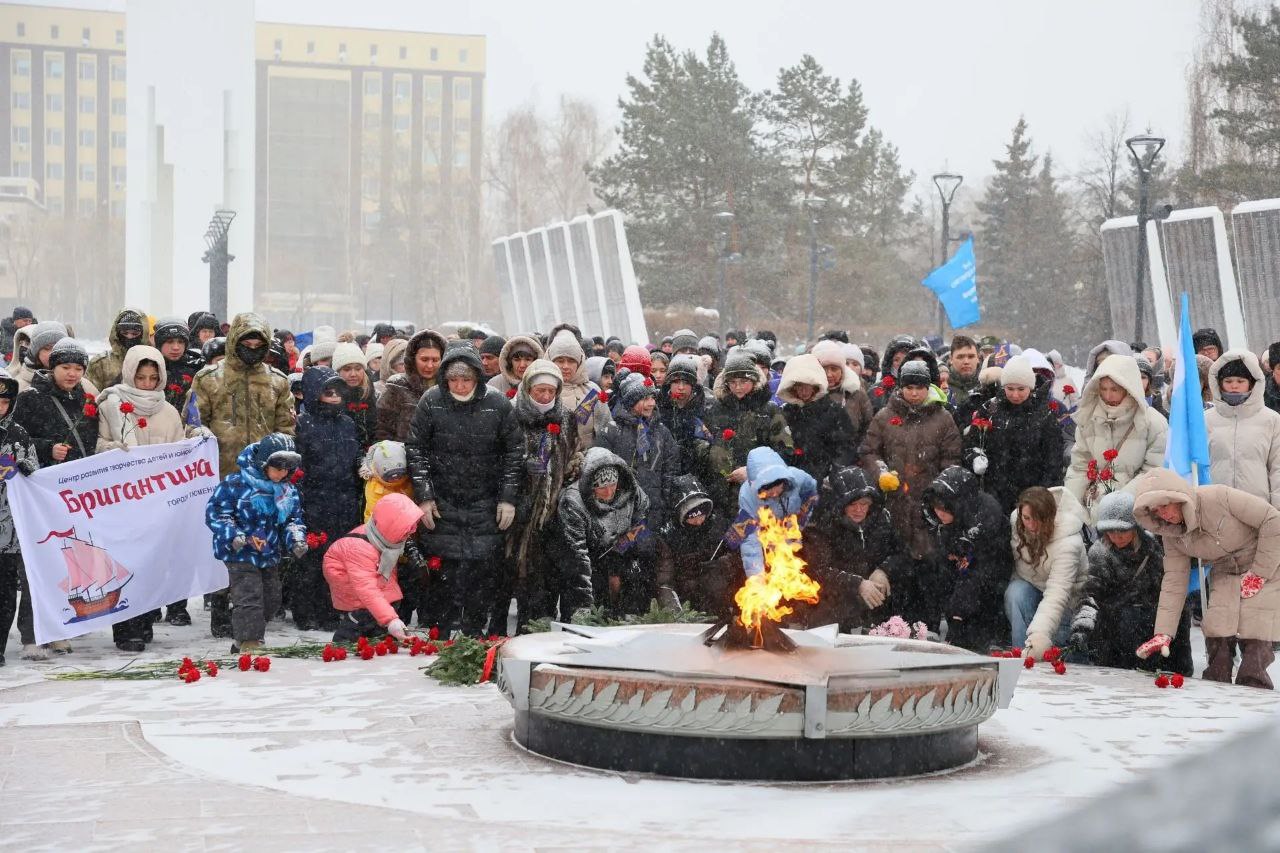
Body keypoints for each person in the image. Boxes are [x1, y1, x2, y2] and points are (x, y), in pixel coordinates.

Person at [407, 344, 523, 636]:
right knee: (443, 573)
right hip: (444, 500)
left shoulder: (497, 404)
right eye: (454, 379)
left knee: (481, 573)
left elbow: (513, 452)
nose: (459, 386)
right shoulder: (431, 401)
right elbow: (416, 449)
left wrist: (507, 498)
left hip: (485, 501)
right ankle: (440, 632)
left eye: (466, 379)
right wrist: (425, 496)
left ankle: (475, 633)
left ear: (477, 379)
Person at [1133, 467, 1280, 689]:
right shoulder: (1171, 534)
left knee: (1255, 635)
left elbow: (1272, 519)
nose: (1162, 514)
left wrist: (1260, 572)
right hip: (1224, 571)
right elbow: (1174, 581)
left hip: (1264, 562)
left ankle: (1254, 699)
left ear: (1179, 498)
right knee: (1217, 635)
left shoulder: (1219, 497)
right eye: (1155, 510)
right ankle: (1215, 697)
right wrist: (1163, 632)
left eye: (1165, 505)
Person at [1069, 491, 1193, 676]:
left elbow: (1165, 589)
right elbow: (1092, 594)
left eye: (1122, 530)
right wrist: (1082, 627)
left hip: (1151, 616)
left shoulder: (1154, 549)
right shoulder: (1100, 552)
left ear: (1136, 527)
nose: (1116, 537)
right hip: (1116, 622)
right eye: (1111, 531)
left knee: (1179, 611)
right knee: (1127, 617)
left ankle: (1173, 667)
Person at [204, 434, 308, 653]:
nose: (282, 474)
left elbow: (292, 520)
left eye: (288, 469)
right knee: (250, 596)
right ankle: (250, 642)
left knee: (271, 598)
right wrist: (234, 534)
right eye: (278, 468)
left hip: (267, 552)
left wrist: (296, 539)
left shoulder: (288, 492)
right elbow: (217, 513)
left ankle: (241, 633)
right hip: (239, 552)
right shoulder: (235, 484)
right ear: (264, 464)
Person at [860, 359, 961, 574]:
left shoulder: (943, 419)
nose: (914, 393)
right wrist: (881, 472)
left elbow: (951, 459)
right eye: (909, 388)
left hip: (929, 504)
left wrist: (939, 493)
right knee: (894, 564)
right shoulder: (885, 417)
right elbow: (869, 451)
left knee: (929, 567)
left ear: (928, 388)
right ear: (900, 388)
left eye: (920, 388)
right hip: (894, 502)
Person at [504, 359, 576, 628]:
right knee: (520, 569)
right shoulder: (512, 414)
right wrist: (523, 466)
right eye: (539, 391)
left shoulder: (565, 417)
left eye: (551, 391)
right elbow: (502, 454)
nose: (545, 396)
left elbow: (573, 450)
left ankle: (542, 622)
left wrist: (570, 470)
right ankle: (522, 623)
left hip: (553, 506)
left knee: (546, 571)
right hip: (520, 505)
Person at [599, 373, 679, 613]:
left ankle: (643, 612)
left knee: (645, 562)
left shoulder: (662, 433)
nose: (650, 403)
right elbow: (600, 467)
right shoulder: (612, 431)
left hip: (651, 512)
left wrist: (663, 502)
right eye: (643, 398)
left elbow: (670, 469)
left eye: (653, 397)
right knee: (618, 563)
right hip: (619, 511)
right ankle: (616, 613)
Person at [292, 366, 362, 631]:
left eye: (337, 392)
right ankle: (307, 611)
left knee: (338, 560)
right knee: (311, 561)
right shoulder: (303, 423)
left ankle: (334, 608)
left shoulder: (347, 423)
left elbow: (353, 456)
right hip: (314, 500)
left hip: (344, 499)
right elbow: (299, 467)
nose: (334, 398)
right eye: (327, 392)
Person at [188, 312, 295, 480]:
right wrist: (201, 434)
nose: (252, 348)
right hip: (218, 474)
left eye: (258, 345)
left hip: (264, 478)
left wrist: (278, 458)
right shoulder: (207, 379)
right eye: (247, 343)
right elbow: (192, 423)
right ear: (234, 342)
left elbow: (286, 429)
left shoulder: (278, 381)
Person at [1063, 353, 1167, 525]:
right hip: (1090, 512)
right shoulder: (1089, 418)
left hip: (1135, 515)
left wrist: (1118, 503)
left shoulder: (1153, 423)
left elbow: (1153, 471)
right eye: (1103, 389)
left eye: (1114, 389)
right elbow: (1080, 464)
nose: (1108, 395)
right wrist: (1073, 507)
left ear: (1128, 387)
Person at [921, 465, 1011, 652]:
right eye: (935, 508)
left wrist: (957, 614)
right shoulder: (949, 519)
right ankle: (929, 627)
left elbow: (982, 568)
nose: (939, 513)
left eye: (944, 508)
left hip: (991, 584)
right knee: (928, 569)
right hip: (965, 574)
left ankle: (972, 631)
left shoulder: (985, 519)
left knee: (972, 640)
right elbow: (942, 560)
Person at [555, 447, 650, 618]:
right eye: (601, 487)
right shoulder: (573, 501)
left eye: (612, 485)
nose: (609, 492)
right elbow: (576, 556)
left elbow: (643, 520)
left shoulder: (631, 491)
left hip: (618, 553)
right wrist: (582, 605)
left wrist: (624, 545)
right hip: (586, 558)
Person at [802, 466, 899, 632]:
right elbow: (817, 570)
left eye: (864, 504)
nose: (859, 509)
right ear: (841, 503)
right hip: (831, 609)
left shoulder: (881, 520)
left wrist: (884, 570)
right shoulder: (822, 524)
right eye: (853, 504)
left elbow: (900, 552)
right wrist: (857, 584)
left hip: (874, 607)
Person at [968, 355, 1065, 516]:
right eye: (1010, 389)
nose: (1015, 395)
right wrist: (975, 457)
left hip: (1032, 494)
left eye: (1021, 389)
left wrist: (1044, 494)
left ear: (1030, 387)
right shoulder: (991, 409)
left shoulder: (1044, 415)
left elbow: (1053, 459)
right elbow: (971, 443)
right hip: (996, 493)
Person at [322, 491, 423, 644]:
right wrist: (391, 620)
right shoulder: (360, 548)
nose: (412, 531)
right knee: (369, 610)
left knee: (393, 601)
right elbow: (366, 589)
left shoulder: (383, 538)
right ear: (392, 524)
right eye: (407, 527)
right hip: (348, 583)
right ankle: (346, 636)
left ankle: (377, 630)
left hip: (367, 579)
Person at [704, 349, 792, 515]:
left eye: (743, 381)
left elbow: (784, 451)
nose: (738, 387)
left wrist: (753, 471)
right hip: (720, 495)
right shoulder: (714, 410)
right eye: (732, 382)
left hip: (760, 494)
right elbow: (706, 445)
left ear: (754, 380)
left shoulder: (770, 411)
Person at [1004, 486, 1088, 659]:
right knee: (1015, 592)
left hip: (1067, 605)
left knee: (1052, 648)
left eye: (1038, 519)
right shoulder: (1017, 525)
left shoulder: (1069, 543)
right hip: (1033, 594)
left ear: (1050, 517)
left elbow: (1057, 593)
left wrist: (1038, 637)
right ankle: (1021, 656)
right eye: (1026, 518)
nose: (1031, 525)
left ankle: (1039, 652)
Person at [726, 446, 818, 580]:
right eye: (768, 492)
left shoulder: (799, 478)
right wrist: (756, 580)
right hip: (765, 530)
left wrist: (799, 523)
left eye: (778, 489)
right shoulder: (747, 496)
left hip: (790, 524)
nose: (774, 494)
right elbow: (750, 541)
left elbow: (811, 494)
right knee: (736, 544)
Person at [1206, 350, 1280, 508]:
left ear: (1252, 383)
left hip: (1259, 507)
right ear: (1219, 383)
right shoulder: (1206, 419)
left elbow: (1277, 467)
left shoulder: (1271, 420)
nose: (1234, 385)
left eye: (1240, 381)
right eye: (1228, 380)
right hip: (1216, 507)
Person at [0, 376, 40, 665]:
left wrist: (24, 468)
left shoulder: (18, 434)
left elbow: (34, 472)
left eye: (3, 402)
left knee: (4, 593)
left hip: (10, 527)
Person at [654, 474, 733, 615]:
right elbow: (665, 581)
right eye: (693, 518)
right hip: (688, 604)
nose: (699, 522)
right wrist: (676, 614)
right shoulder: (669, 537)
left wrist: (722, 564)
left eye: (702, 516)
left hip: (721, 598)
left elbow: (736, 555)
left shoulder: (719, 526)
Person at [777, 353, 858, 485]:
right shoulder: (786, 413)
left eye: (807, 385)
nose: (803, 391)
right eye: (798, 386)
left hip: (825, 480)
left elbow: (846, 447)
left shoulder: (833, 411)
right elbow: (779, 446)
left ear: (815, 385)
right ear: (791, 387)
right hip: (791, 480)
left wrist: (833, 471)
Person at [374, 328, 447, 442]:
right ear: (413, 359)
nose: (430, 365)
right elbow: (382, 430)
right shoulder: (397, 387)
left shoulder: (449, 387)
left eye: (435, 360)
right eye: (424, 359)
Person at [545, 329, 612, 452]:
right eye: (560, 360)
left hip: (590, 462)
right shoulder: (541, 389)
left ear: (579, 362)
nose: (565, 366)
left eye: (571, 361)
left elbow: (607, 429)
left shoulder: (591, 390)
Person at [811, 340, 873, 449]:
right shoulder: (807, 394)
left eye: (834, 369)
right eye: (823, 369)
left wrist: (857, 452)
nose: (829, 374)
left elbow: (868, 428)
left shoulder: (857, 394)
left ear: (842, 370)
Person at [87, 308, 152, 391]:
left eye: (135, 334)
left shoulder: (152, 362)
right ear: (117, 333)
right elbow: (91, 397)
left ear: (143, 335)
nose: (129, 337)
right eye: (125, 333)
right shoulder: (100, 363)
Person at [152, 317, 205, 414]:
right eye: (170, 341)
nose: (176, 347)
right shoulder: (149, 367)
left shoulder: (197, 368)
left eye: (180, 342)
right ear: (159, 344)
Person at [332, 342, 376, 450]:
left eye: (358, 368)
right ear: (338, 371)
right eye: (347, 369)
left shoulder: (368, 392)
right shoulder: (331, 397)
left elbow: (375, 427)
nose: (353, 374)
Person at [947, 334, 982, 408]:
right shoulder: (941, 386)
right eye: (960, 357)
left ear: (978, 358)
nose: (966, 361)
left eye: (971, 356)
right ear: (951, 359)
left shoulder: (987, 386)